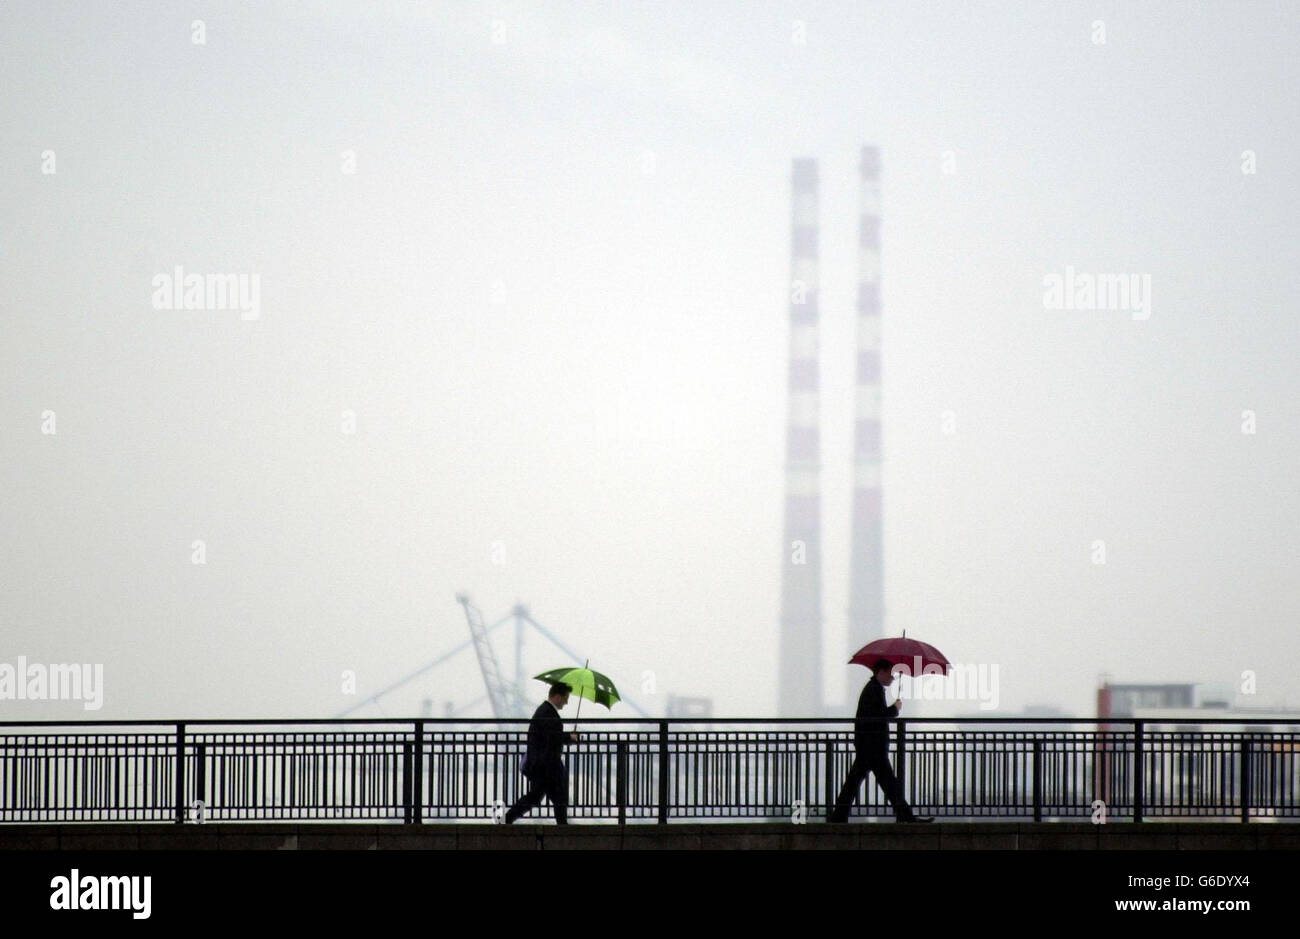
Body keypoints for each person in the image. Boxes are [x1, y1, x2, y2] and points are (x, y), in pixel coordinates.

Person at [828, 659, 933, 823]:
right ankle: (905, 816)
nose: (892, 678)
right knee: (885, 783)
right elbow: (879, 716)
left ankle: (838, 817)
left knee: (861, 782)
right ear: (881, 672)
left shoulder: (873, 689)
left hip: (868, 746)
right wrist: (895, 709)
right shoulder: (873, 690)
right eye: (891, 674)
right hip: (873, 746)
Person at [504, 682, 580, 824]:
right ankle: (562, 828)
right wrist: (569, 737)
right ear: (557, 697)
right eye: (566, 698)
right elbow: (552, 736)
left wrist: (568, 738)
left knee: (539, 797)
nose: (566, 702)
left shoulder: (544, 711)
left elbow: (551, 736)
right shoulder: (547, 713)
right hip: (546, 766)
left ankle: (507, 819)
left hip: (542, 764)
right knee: (557, 798)